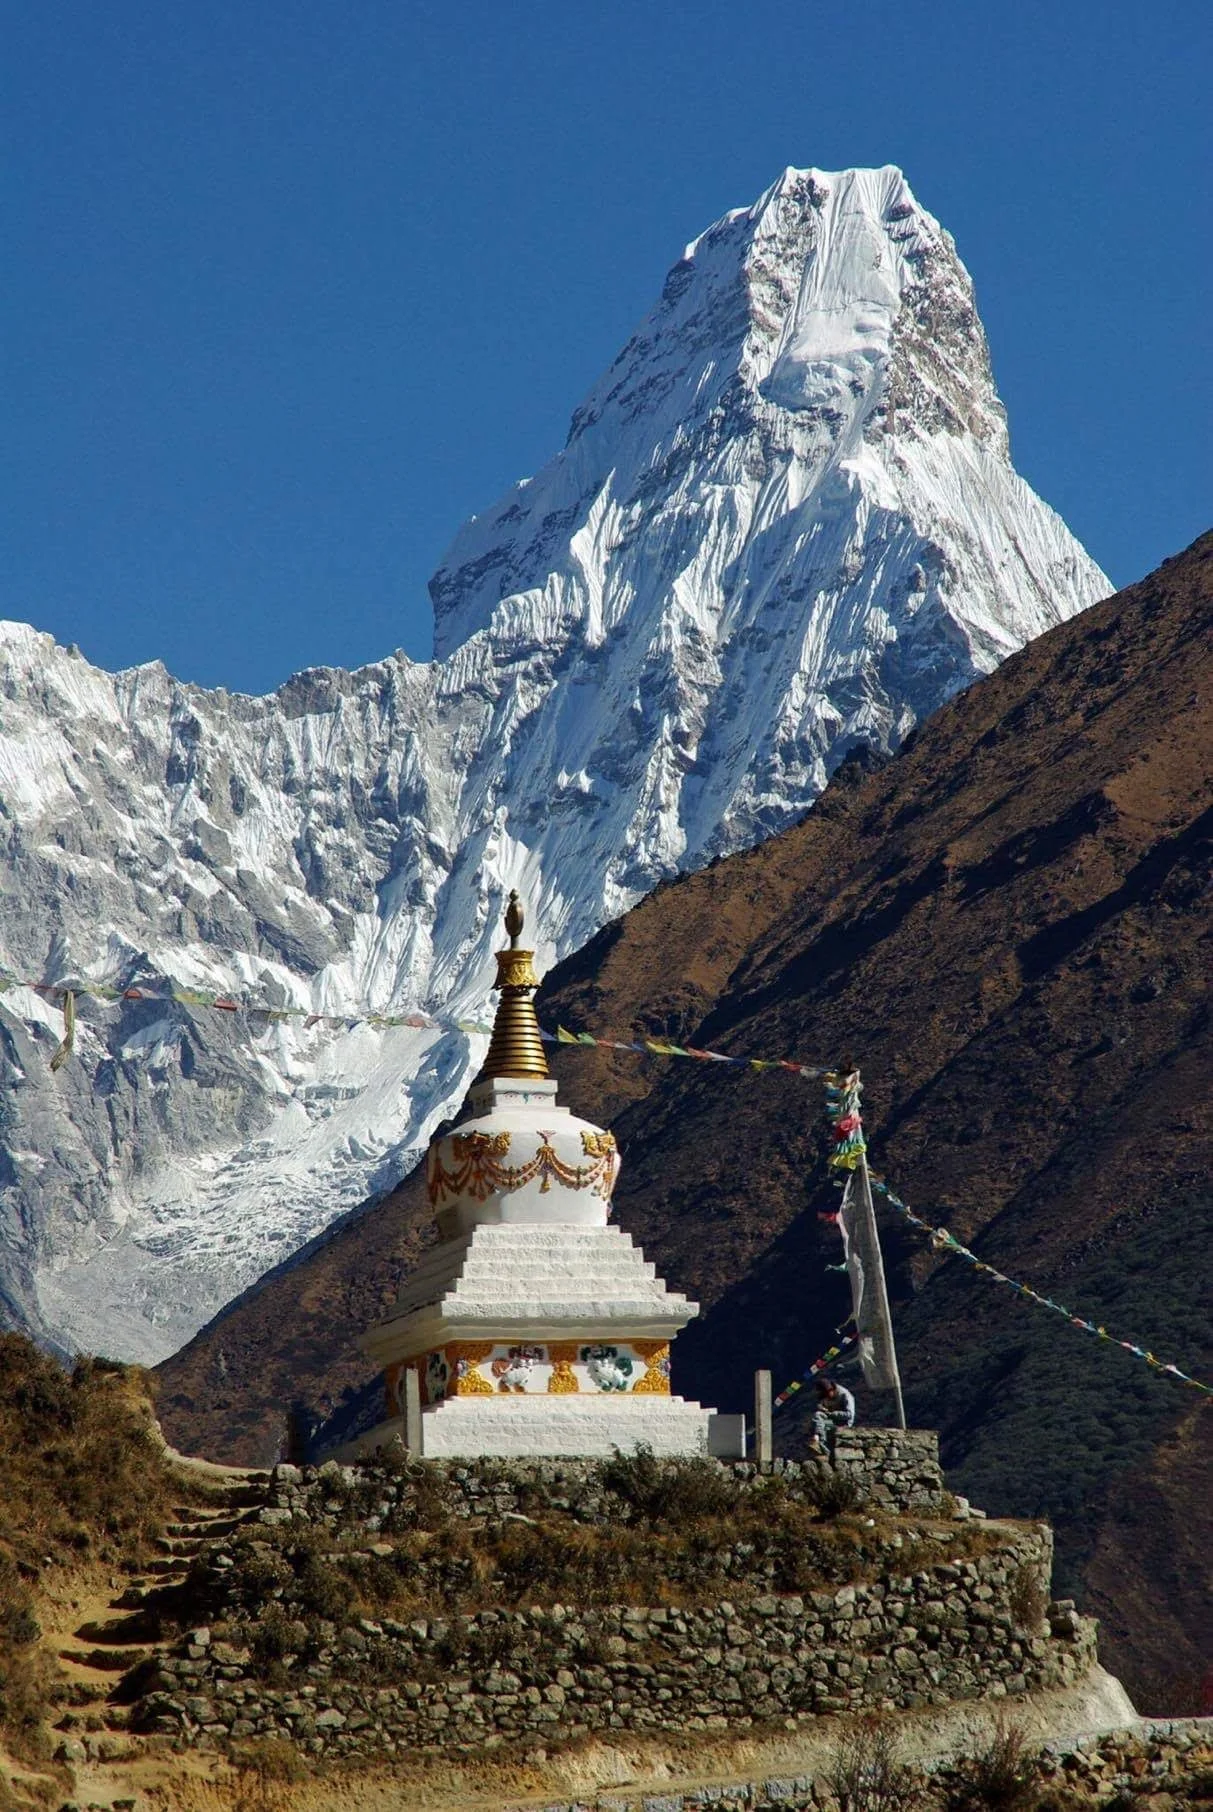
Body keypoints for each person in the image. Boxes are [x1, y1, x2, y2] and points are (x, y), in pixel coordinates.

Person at [809, 1375, 855, 1455]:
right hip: (831, 1422)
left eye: (827, 1395)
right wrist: (822, 1408)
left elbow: (849, 1415)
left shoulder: (845, 1395)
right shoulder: (824, 1398)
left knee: (823, 1426)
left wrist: (832, 1413)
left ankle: (824, 1449)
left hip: (843, 1425)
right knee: (817, 1418)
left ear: (831, 1390)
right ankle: (819, 1442)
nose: (827, 1398)